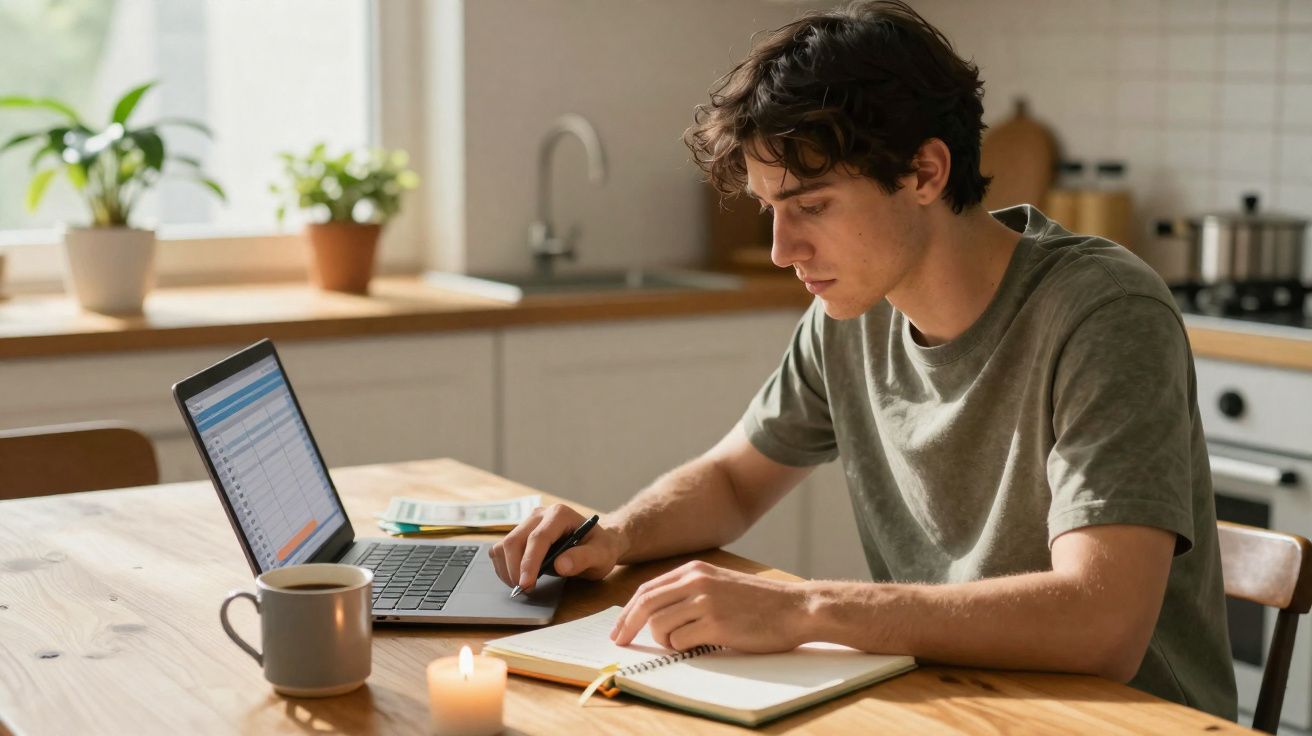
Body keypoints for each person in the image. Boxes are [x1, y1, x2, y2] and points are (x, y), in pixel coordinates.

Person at [489, 0, 1237, 720]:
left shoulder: (1103, 313)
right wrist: (613, 534)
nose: (783, 251)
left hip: (1119, 718)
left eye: (811, 205)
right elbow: (730, 481)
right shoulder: (850, 314)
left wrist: (808, 609)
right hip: (948, 699)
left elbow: (1103, 624)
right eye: (769, 210)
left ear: (924, 173)